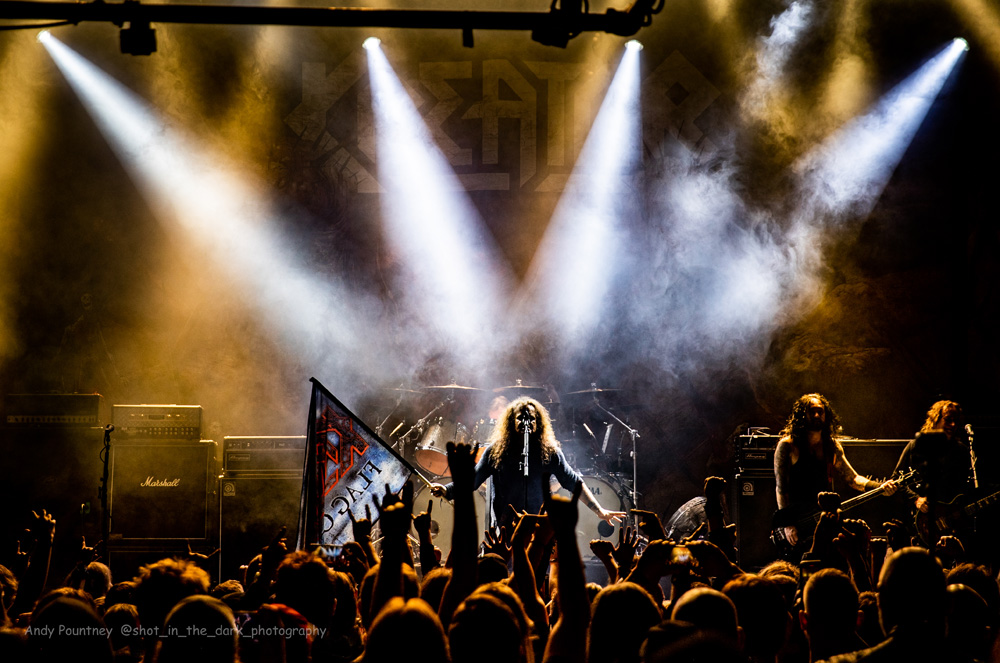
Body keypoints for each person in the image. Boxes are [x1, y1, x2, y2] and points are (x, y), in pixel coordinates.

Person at [430, 397, 625, 530]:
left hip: (539, 524)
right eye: (521, 418)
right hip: (506, 525)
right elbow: (472, 480)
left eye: (531, 418)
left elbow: (573, 481)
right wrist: (447, 490)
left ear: (539, 422)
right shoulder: (496, 451)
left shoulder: (549, 452)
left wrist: (599, 510)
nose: (526, 422)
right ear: (510, 422)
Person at [773, 394, 896, 554]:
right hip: (799, 521)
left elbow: (853, 479)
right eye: (812, 411)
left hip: (825, 517)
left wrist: (879, 487)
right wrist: (787, 524)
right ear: (802, 415)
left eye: (820, 411)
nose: (817, 415)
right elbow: (781, 489)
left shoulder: (832, 447)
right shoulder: (788, 445)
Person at [892, 400, 976, 547]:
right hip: (918, 527)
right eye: (948, 420)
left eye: (955, 421)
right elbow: (895, 480)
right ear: (935, 419)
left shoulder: (961, 451)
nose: (953, 425)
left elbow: (965, 489)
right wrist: (916, 499)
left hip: (950, 529)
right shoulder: (915, 446)